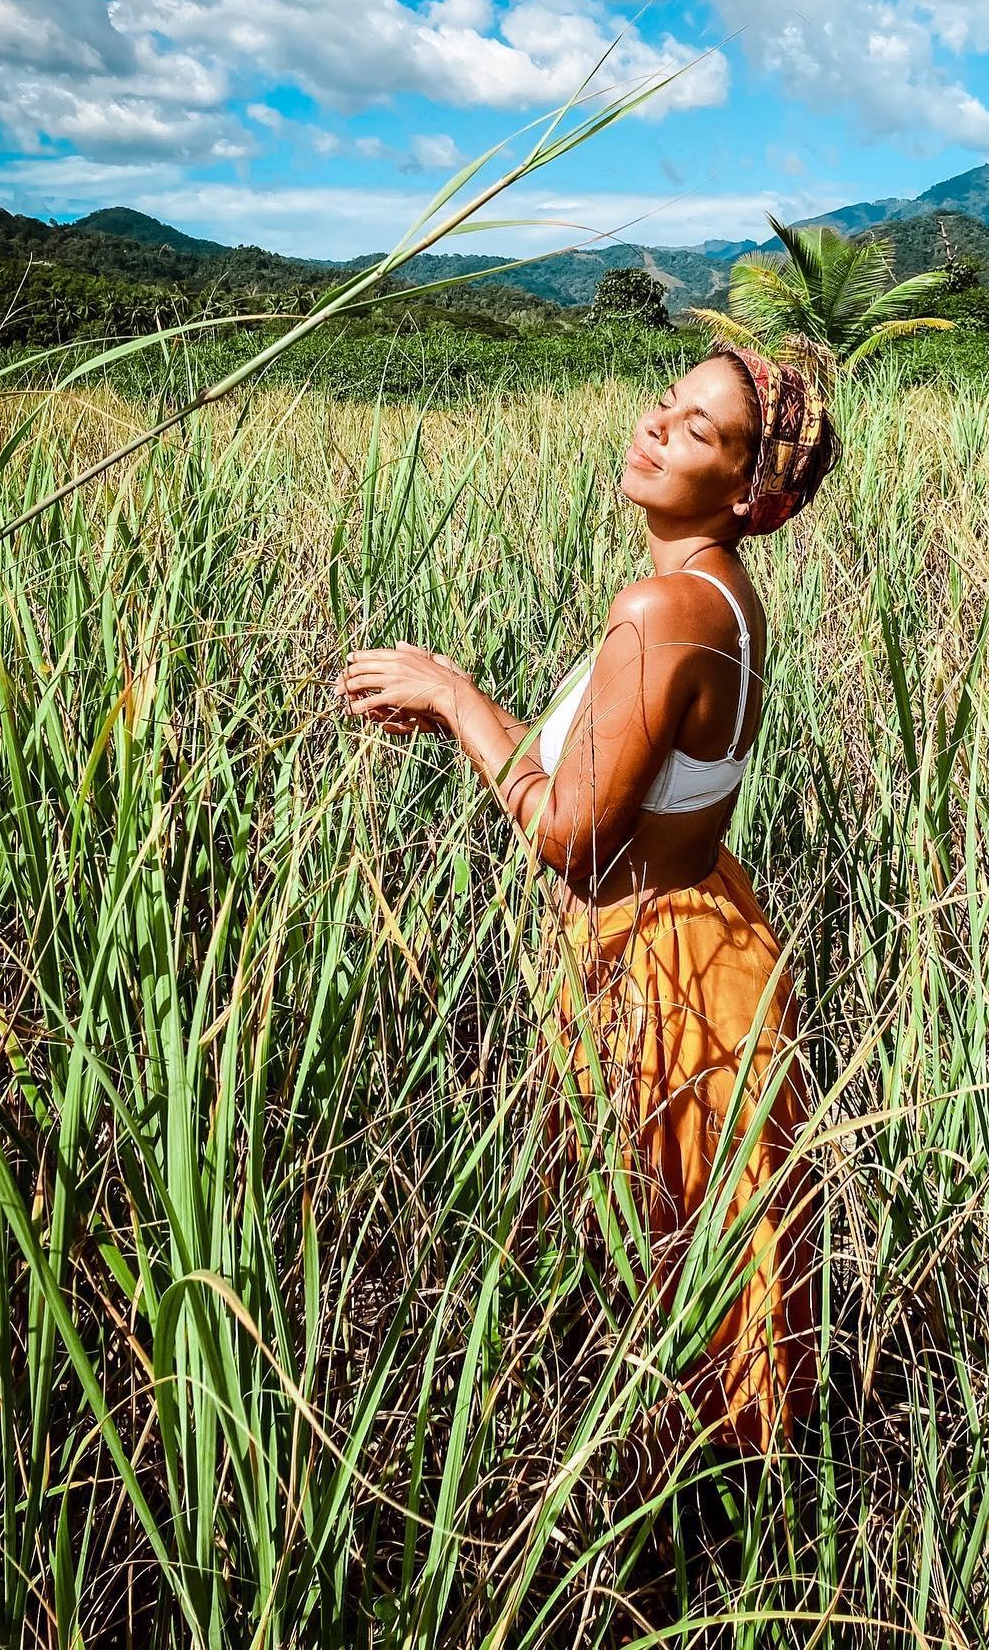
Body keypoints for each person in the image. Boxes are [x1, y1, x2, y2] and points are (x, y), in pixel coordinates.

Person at [335, 343, 841, 1470]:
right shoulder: (717, 596)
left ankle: (684, 1531)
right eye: (669, 405)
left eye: (701, 431)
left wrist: (457, 698)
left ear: (755, 496)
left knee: (661, 1284)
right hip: (709, 935)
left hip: (661, 977)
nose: (658, 428)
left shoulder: (664, 606)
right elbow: (601, 786)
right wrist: (476, 716)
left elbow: (570, 841)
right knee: (700, 1268)